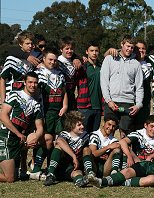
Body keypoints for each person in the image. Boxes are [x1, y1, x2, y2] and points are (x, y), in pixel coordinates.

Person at [29, 47, 68, 179]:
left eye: (55, 60)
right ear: (44, 59)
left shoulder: (60, 73)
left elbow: (64, 91)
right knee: (45, 140)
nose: (52, 62)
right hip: (45, 112)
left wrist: (65, 105)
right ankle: (35, 167)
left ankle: (52, 169)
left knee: (58, 141)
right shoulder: (39, 73)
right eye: (50, 59)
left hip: (59, 113)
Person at [0, 72, 44, 182]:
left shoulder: (36, 104)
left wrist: (35, 137)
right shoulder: (14, 95)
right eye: (30, 82)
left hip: (18, 141)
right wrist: (18, 133)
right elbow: (2, 115)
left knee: (16, 176)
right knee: (9, 178)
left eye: (35, 83)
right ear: (24, 82)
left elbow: (40, 127)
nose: (33, 85)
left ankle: (22, 165)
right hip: (6, 137)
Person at [100, 35, 144, 138]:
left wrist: (138, 105)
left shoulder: (136, 64)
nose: (129, 49)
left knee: (124, 134)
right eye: (127, 46)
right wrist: (108, 100)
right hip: (111, 102)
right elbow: (104, 81)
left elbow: (139, 87)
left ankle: (123, 154)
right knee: (108, 132)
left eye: (132, 47)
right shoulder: (110, 59)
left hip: (128, 103)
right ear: (121, 44)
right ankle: (108, 153)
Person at [43, 111, 94, 187]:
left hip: (73, 168)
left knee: (78, 172)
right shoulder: (64, 134)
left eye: (82, 124)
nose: (82, 126)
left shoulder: (86, 136)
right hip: (60, 166)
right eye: (79, 125)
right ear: (71, 125)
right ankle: (50, 174)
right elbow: (60, 141)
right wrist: (73, 156)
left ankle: (81, 181)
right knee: (58, 146)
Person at [0, 31, 35, 104]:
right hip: (12, 98)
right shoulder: (11, 59)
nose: (30, 46)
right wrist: (3, 100)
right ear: (20, 44)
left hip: (27, 100)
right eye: (27, 43)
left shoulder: (32, 60)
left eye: (31, 43)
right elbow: (2, 79)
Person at [76, 41, 102, 133]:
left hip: (98, 106)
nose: (94, 53)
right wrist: (78, 59)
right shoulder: (83, 67)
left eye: (96, 50)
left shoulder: (101, 67)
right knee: (82, 134)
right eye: (91, 50)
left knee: (94, 135)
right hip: (85, 107)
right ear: (87, 52)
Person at [58, 36, 82, 111]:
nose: (69, 51)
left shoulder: (75, 61)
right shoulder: (57, 61)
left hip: (72, 96)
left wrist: (78, 58)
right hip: (59, 97)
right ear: (61, 49)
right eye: (67, 49)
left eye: (71, 49)